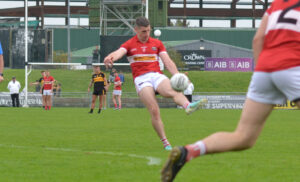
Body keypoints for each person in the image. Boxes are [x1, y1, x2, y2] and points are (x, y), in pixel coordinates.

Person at [161, 0, 300, 181]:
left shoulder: (276, 4)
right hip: (292, 65)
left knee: (243, 137)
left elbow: (258, 39)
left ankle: (188, 152)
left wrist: (262, 72)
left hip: (264, 70)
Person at [104, 17, 207, 150]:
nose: (146, 34)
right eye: (143, 32)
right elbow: (119, 52)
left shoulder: (157, 43)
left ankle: (187, 106)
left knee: (173, 90)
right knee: (154, 109)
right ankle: (166, 142)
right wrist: (110, 57)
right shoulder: (129, 44)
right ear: (136, 30)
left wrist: (178, 76)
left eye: (148, 31)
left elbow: (168, 62)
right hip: (141, 79)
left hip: (156, 75)